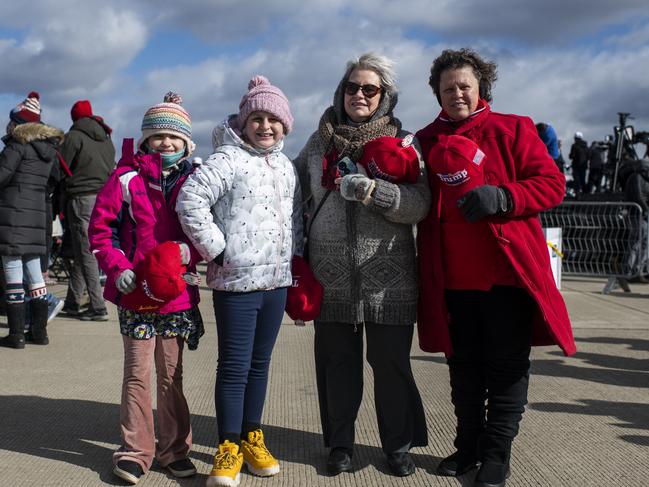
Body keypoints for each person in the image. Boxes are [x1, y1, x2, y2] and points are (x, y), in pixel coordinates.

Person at [415, 48, 576, 487]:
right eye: (448, 88)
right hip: (451, 280)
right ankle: (467, 446)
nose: (457, 94)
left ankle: (496, 455)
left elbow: (552, 184)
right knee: (463, 369)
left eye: (464, 85)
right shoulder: (425, 139)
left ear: (481, 86)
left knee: (506, 370)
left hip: (507, 278)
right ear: (437, 94)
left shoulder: (514, 128)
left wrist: (504, 197)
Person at [292, 52, 431, 478]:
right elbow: (293, 198)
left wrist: (377, 193)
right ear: (341, 91)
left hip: (389, 278)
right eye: (352, 87)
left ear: (385, 96)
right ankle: (339, 445)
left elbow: (421, 204)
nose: (359, 95)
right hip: (330, 277)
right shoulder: (317, 145)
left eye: (370, 89)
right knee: (337, 366)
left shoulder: (405, 143)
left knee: (391, 366)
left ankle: (398, 445)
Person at [176, 75, 302, 487]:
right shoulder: (226, 159)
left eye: (273, 120)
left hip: (276, 282)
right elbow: (190, 200)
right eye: (257, 118)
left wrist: (293, 259)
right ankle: (228, 445)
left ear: (285, 125)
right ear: (244, 121)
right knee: (234, 367)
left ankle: (252, 436)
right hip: (235, 283)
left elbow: (295, 218)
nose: (265, 126)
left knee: (260, 365)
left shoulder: (285, 165)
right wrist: (218, 249)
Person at [88, 93, 204, 485]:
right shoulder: (125, 180)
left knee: (171, 374)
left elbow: (209, 229)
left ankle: (174, 449)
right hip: (135, 294)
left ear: (187, 143)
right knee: (137, 371)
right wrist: (116, 266)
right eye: (158, 137)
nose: (166, 144)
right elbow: (101, 231)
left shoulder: (196, 180)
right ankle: (136, 450)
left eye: (174, 138)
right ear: (145, 141)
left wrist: (193, 252)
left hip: (175, 295)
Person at [0, 91, 64, 348]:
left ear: (18, 124)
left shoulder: (17, 147)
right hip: (38, 218)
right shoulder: (49, 151)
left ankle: (16, 334)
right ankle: (39, 332)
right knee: (35, 276)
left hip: (12, 218)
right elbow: (56, 181)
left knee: (13, 274)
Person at [60, 99, 115, 320]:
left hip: (81, 198)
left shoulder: (73, 136)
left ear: (75, 117)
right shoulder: (106, 137)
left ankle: (98, 306)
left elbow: (61, 166)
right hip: (102, 199)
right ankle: (73, 302)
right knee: (82, 252)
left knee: (86, 253)